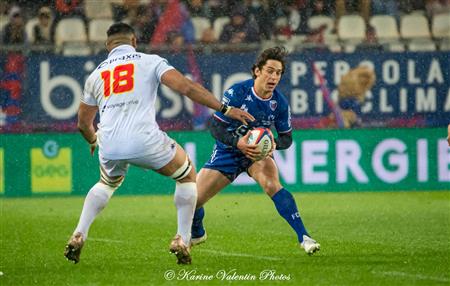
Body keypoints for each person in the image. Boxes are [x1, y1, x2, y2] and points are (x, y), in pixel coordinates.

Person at [64, 22, 254, 265]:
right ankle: (182, 240)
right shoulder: (148, 60)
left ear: (107, 46)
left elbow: (83, 123)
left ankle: (79, 233)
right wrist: (224, 108)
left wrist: (93, 139)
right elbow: (186, 87)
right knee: (187, 175)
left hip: (109, 142)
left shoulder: (95, 75)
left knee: (106, 183)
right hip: (144, 139)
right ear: (133, 41)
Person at [190, 46, 321, 255]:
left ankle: (304, 237)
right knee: (192, 200)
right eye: (269, 70)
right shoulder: (237, 93)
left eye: (278, 73)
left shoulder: (280, 104)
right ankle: (197, 233)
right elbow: (215, 127)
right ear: (257, 71)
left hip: (257, 155)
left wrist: (273, 145)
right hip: (228, 151)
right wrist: (238, 142)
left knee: (272, 185)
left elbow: (287, 138)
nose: (274, 77)